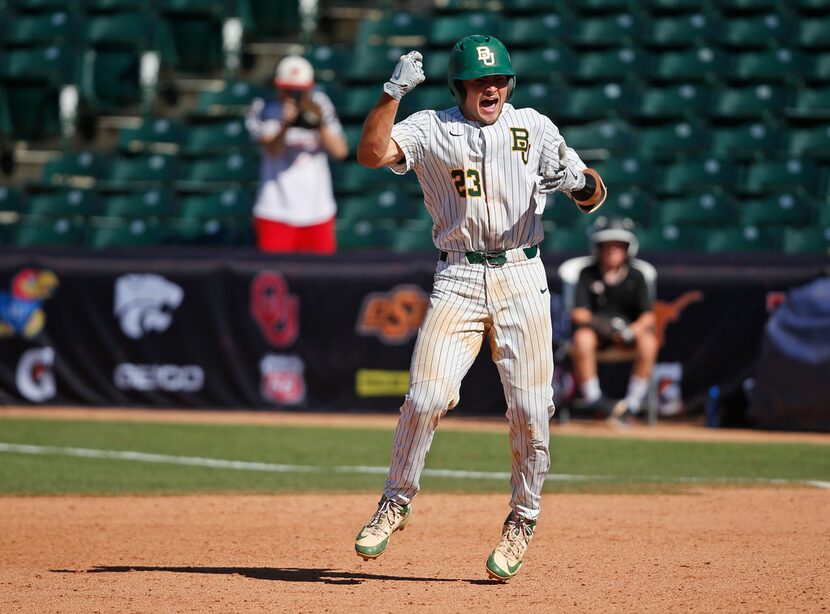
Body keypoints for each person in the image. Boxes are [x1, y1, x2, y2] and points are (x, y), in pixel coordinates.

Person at [352, 35, 606, 581]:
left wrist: (576, 180)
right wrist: (391, 94)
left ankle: (523, 517)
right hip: (459, 275)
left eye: (498, 79)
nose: (490, 87)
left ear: (509, 83)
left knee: (532, 412)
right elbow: (371, 154)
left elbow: (594, 195)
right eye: (478, 80)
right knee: (425, 396)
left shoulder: (534, 127)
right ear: (460, 86)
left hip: (522, 274)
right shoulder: (431, 127)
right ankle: (394, 502)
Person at [245, 55, 348, 253]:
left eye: (299, 91)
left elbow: (340, 151)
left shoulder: (320, 104)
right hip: (275, 211)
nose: (292, 95)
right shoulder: (263, 108)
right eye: (287, 89)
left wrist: (318, 123)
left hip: (318, 211)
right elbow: (272, 149)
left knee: (319, 278)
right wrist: (285, 125)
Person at [570, 216, 658, 426]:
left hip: (628, 334)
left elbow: (648, 315)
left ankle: (632, 404)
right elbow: (579, 313)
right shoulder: (587, 273)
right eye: (607, 246)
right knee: (582, 338)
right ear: (598, 248)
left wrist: (631, 330)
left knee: (650, 341)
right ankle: (594, 400)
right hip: (598, 333)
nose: (612, 251)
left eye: (618, 246)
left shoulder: (636, 276)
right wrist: (603, 327)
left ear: (628, 248)